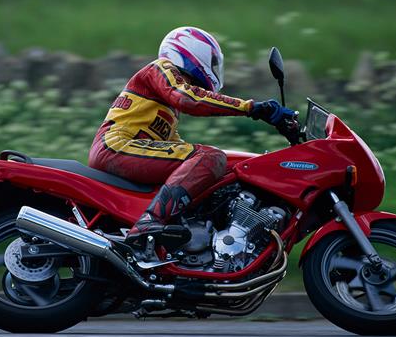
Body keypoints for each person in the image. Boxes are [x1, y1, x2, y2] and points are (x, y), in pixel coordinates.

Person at [88, 26, 296, 249]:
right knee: (209, 157)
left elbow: (174, 144)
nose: (215, 69)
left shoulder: (165, 108)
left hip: (124, 148)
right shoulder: (160, 68)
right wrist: (252, 108)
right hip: (117, 145)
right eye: (213, 63)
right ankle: (149, 223)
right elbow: (187, 97)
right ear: (193, 52)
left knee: (211, 162)